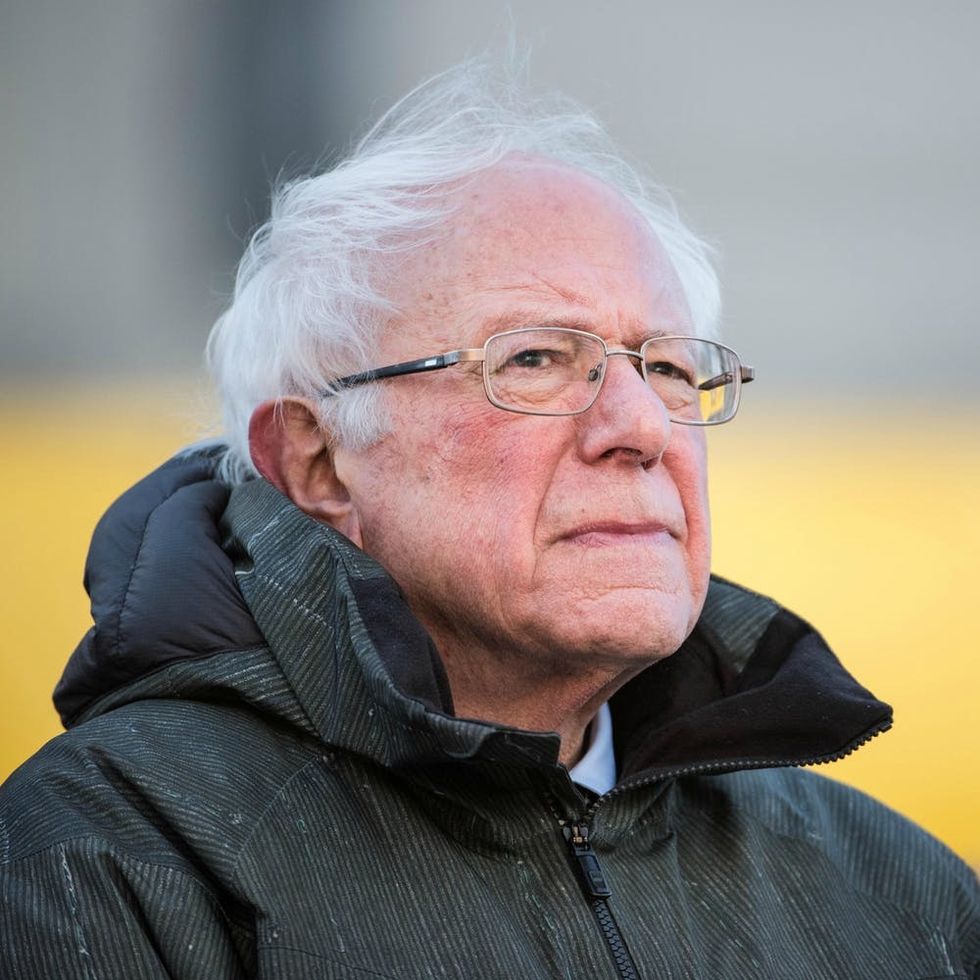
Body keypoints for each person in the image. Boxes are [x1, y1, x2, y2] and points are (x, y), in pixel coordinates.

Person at [1, 58, 977, 980]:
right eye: (533, 359)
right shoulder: (111, 855)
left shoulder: (900, 894)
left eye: (670, 367)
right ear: (316, 461)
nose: (643, 426)